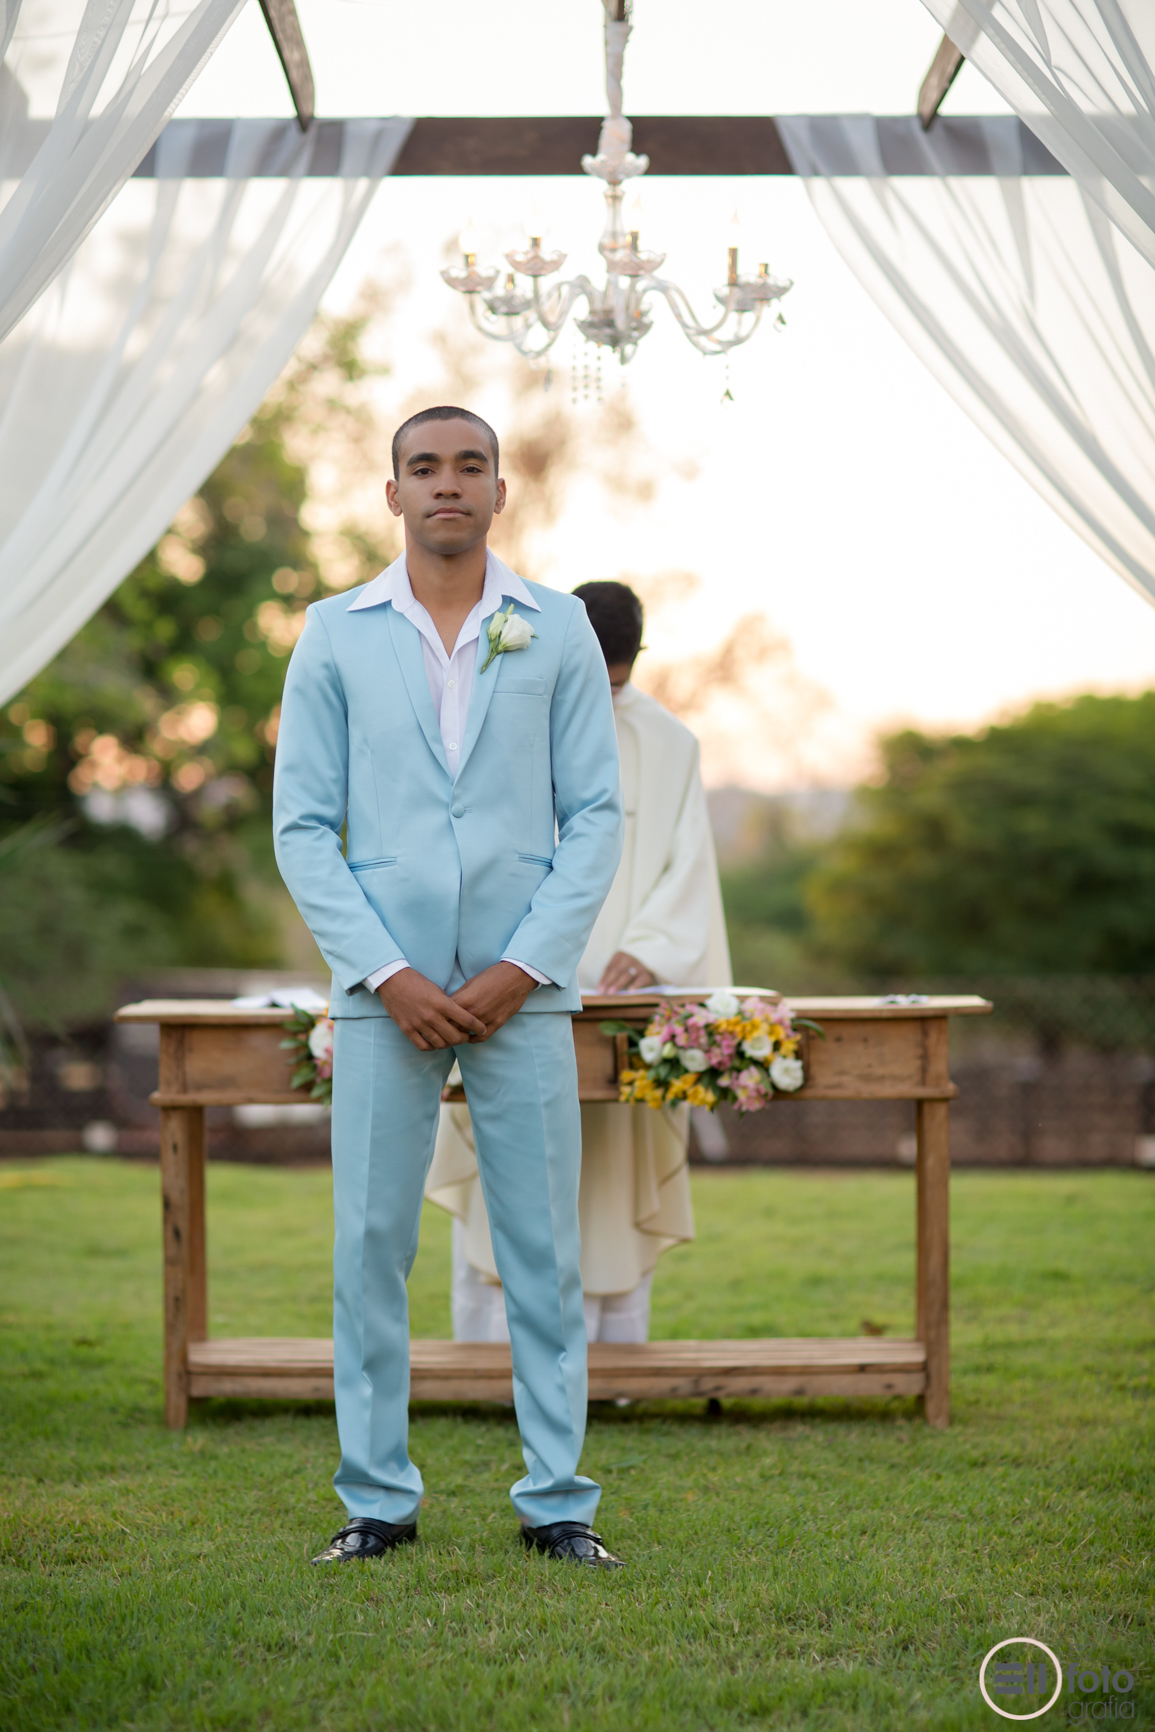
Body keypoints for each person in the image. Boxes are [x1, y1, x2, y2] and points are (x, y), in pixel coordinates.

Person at [273, 406, 625, 1569]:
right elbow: (304, 828)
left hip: (528, 989)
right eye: (423, 467)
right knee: (371, 1248)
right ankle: (377, 1500)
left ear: (498, 490)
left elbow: (596, 819)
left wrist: (528, 963)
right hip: (387, 992)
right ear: (392, 494)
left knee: (543, 1252)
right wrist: (390, 972)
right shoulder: (331, 633)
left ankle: (558, 1504)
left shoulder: (558, 627)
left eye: (469, 465)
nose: (447, 486)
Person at [426, 580, 732, 1345]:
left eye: (616, 683)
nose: (601, 695)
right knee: (507, 1173)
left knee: (610, 1184)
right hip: (505, 989)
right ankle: (489, 1360)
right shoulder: (496, 714)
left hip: (616, 1000)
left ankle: (614, 1362)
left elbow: (689, 867)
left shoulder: (670, 743)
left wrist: (650, 948)